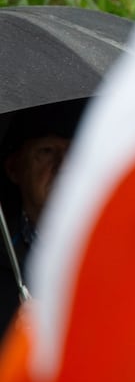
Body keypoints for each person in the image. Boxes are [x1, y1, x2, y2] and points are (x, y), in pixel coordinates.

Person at [0, 99, 81, 338]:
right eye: (47, 151)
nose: (65, 166)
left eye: (76, 152)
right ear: (14, 168)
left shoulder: (132, 250)